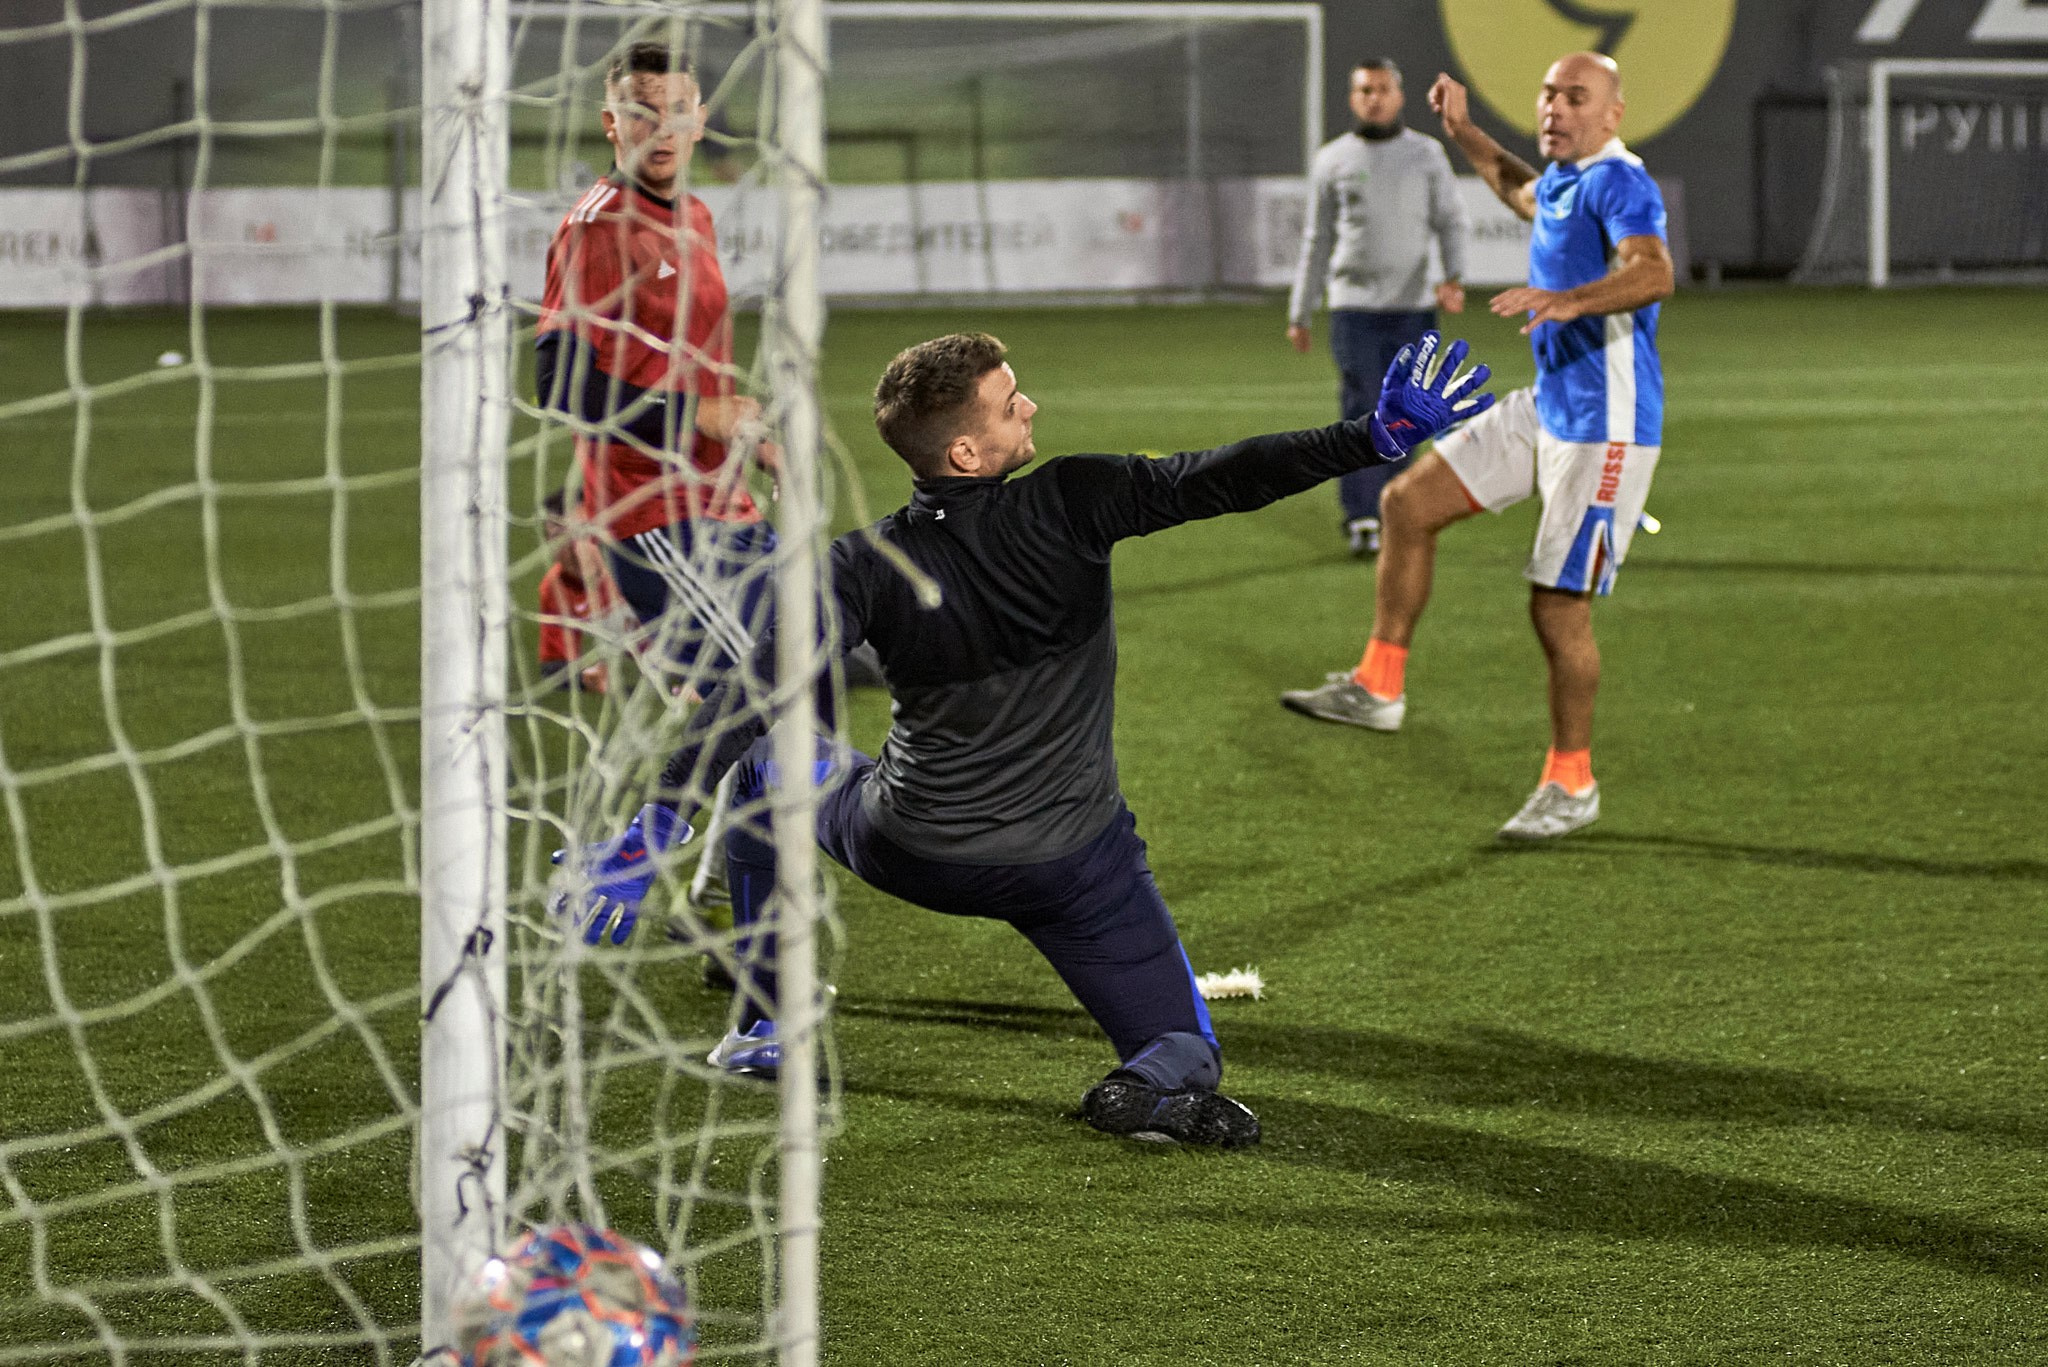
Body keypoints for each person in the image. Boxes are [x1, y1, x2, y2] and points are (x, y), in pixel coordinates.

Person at [555, 329, 1494, 1148]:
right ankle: (1146, 1086)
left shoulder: (862, 565)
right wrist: (1370, 439)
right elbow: (1226, 476)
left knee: (770, 759)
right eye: (1010, 404)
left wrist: (655, 830)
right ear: (967, 450)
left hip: (913, 845)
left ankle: (767, 1024)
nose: (1030, 404)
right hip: (1075, 867)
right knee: (1185, 1048)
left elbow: (752, 690)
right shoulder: (1076, 500)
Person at [1280, 53, 1675, 841]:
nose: (1556, 107)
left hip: (1608, 429)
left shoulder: (1621, 181)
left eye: (1577, 96)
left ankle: (1572, 782)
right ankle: (1380, 685)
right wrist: (1462, 129)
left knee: (1557, 607)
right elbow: (1512, 183)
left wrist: (1567, 300)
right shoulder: (1564, 180)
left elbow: (1654, 271)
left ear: (1613, 113)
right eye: (1549, 92)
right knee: (1406, 502)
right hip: (1549, 408)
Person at [535, 40, 772, 693]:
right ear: (610, 122)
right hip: (648, 511)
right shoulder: (594, 229)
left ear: (699, 121)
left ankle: (682, 796)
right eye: (641, 112)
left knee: (809, 661)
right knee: (766, 692)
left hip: (724, 497)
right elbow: (559, 384)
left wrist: (752, 439)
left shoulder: (695, 214)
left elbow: (693, 364)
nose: (661, 129)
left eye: (677, 110)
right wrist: (700, 415)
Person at [1287, 58, 1469, 558]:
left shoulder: (1426, 155)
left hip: (1412, 307)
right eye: (1365, 89)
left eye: (1383, 88)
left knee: (1408, 412)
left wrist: (1454, 277)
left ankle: (1396, 504)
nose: (1374, 97)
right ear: (1353, 97)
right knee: (1364, 408)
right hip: (1353, 309)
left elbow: (1450, 220)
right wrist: (1300, 310)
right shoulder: (1334, 159)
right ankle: (1362, 516)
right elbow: (1317, 239)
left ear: (1399, 95)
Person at [537, 490, 631, 693]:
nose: (572, 549)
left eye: (580, 535)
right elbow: (554, 666)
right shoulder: (556, 586)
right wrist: (587, 678)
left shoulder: (632, 566)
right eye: (558, 538)